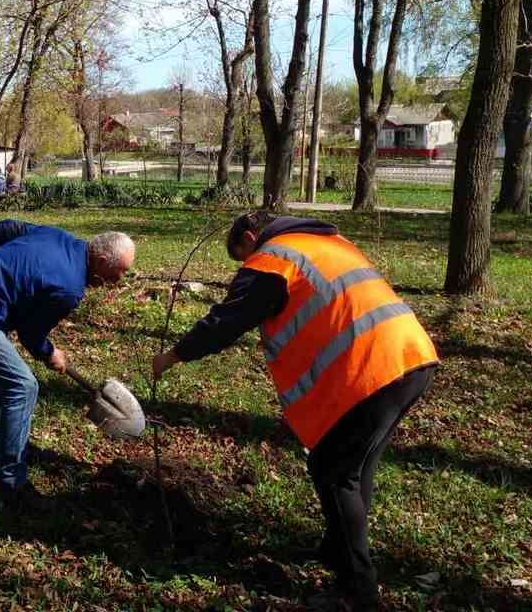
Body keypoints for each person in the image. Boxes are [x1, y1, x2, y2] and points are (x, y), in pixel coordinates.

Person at [152, 211, 439, 612]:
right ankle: (334, 552)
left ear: (252, 237)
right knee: (355, 466)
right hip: (411, 356)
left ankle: (357, 591)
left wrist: (172, 356)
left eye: (242, 255)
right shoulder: (327, 243)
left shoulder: (273, 259)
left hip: (373, 366)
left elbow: (227, 321)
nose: (244, 265)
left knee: (333, 472)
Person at [0, 220, 135, 510]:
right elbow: (30, 334)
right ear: (103, 261)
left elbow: (7, 228)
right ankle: (12, 485)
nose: (120, 280)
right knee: (22, 386)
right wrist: (50, 352)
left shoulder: (57, 236)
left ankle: (11, 449)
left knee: (4, 385)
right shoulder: (70, 289)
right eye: (121, 272)